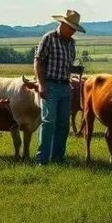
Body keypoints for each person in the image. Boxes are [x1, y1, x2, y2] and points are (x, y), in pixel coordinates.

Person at [33, 9, 85, 164]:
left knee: (63, 124)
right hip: (50, 85)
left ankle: (58, 158)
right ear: (62, 24)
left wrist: (75, 73)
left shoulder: (72, 43)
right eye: (71, 28)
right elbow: (38, 62)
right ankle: (42, 159)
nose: (73, 32)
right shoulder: (49, 38)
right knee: (49, 121)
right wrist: (41, 85)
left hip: (65, 86)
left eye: (75, 29)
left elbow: (67, 65)